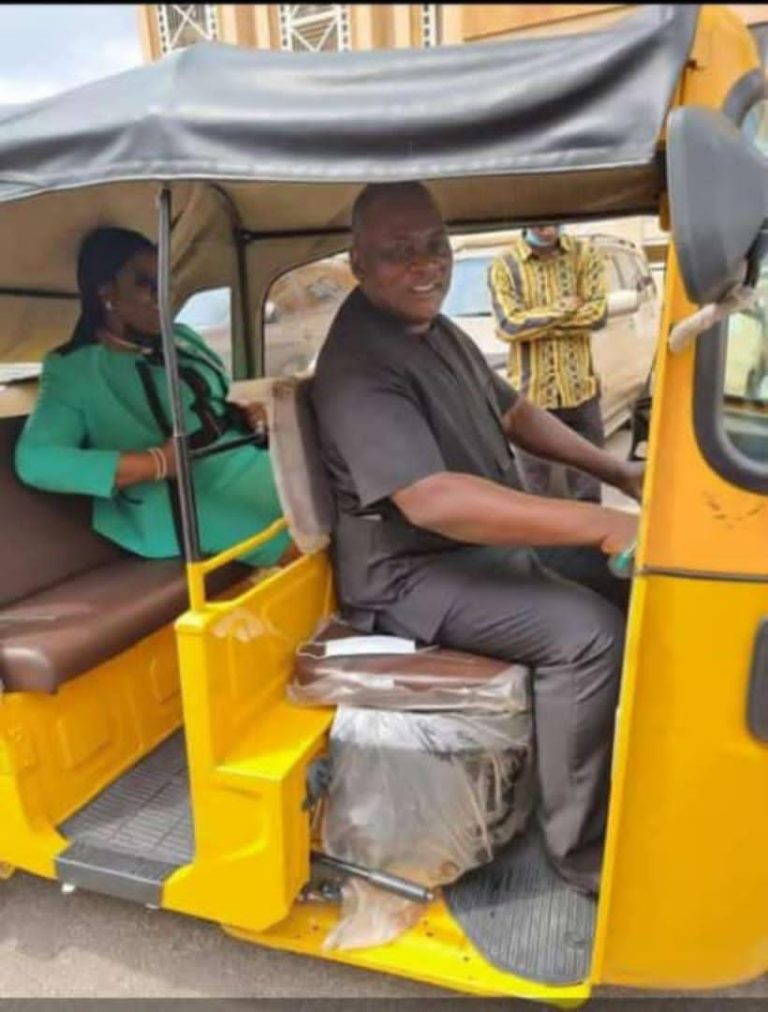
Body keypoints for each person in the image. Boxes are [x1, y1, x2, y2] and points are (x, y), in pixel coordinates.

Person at [311, 182, 642, 895]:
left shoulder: (431, 327)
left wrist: (618, 471)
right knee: (587, 634)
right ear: (359, 263)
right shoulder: (358, 360)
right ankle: (578, 853)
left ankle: (626, 761)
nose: (426, 264)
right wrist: (598, 519)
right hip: (408, 574)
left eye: (434, 244)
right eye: (399, 252)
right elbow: (430, 502)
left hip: (466, 547)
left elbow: (516, 410)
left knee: (632, 575)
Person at [16, 227, 294, 569]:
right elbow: (36, 460)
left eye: (164, 280)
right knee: (299, 536)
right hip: (179, 499)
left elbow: (213, 396)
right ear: (108, 296)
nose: (162, 293)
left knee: (325, 501)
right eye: (146, 283)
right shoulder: (74, 370)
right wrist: (153, 463)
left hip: (241, 461)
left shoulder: (182, 338)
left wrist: (243, 412)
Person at [488, 224, 608, 502]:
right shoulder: (505, 265)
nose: (547, 225)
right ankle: (540, 548)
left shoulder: (585, 255)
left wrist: (534, 321)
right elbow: (509, 326)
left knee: (589, 493)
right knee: (534, 496)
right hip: (531, 401)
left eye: (555, 218)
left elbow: (598, 315)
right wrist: (563, 309)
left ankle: (589, 546)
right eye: (540, 218)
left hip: (581, 394)